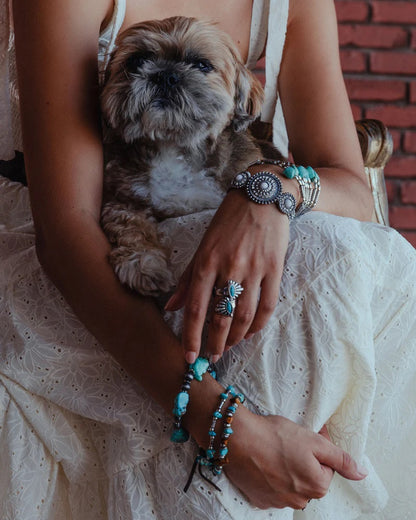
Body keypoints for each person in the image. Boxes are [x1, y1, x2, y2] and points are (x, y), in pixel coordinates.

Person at [0, 0, 415, 518]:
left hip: (219, 230)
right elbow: (66, 236)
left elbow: (355, 196)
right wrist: (224, 425)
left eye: (198, 66)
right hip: (85, 271)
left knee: (347, 254)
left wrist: (266, 191)